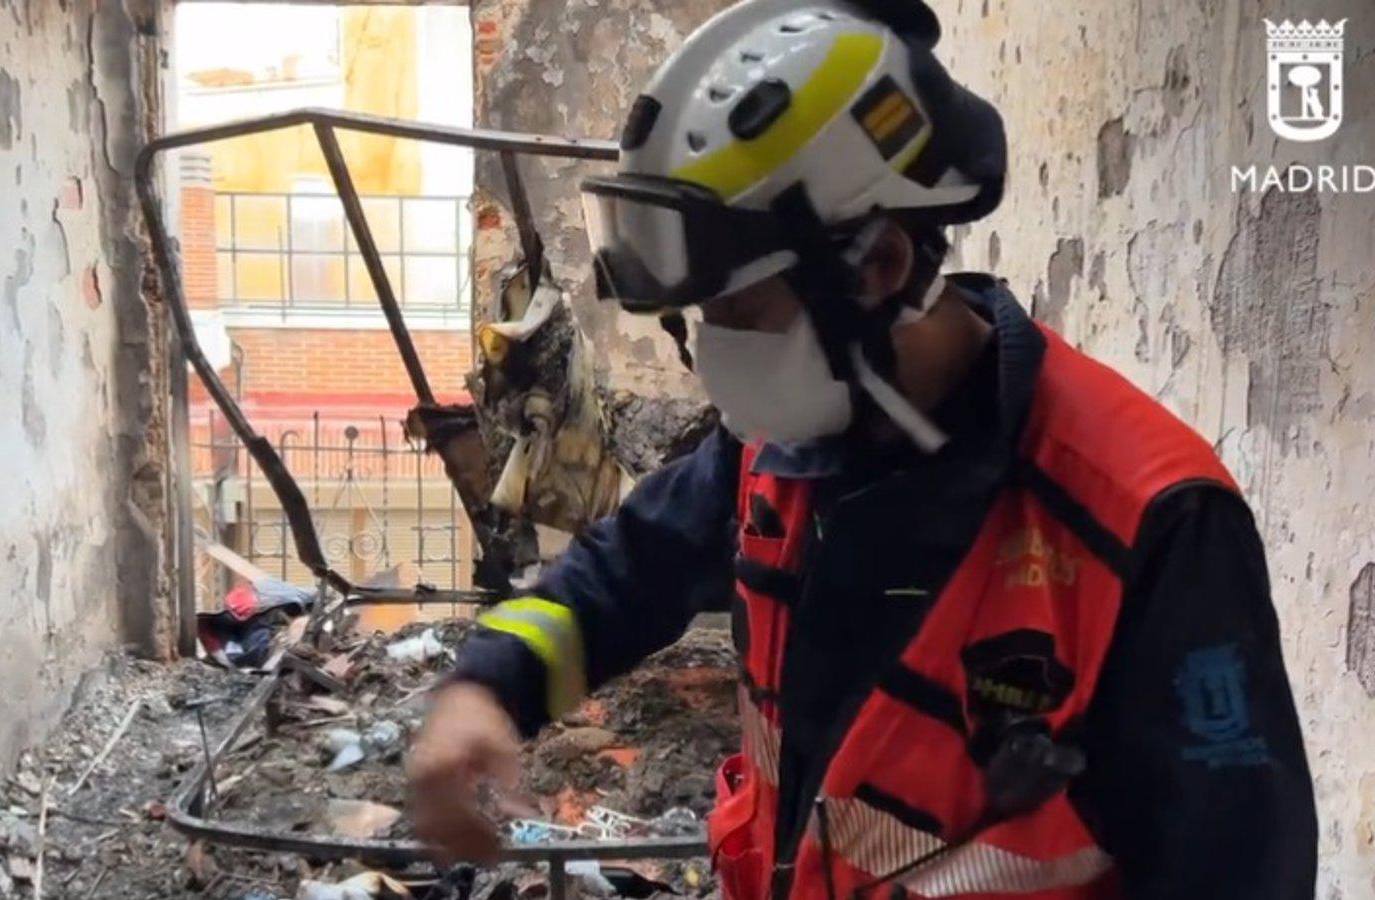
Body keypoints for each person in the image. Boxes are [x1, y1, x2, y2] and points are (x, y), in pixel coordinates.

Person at [410, 0, 1317, 896]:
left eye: (738, 312)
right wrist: (489, 688)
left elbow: (1237, 867)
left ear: (877, 265)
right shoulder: (781, 445)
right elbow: (624, 574)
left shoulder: (1149, 525)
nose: (713, 354)